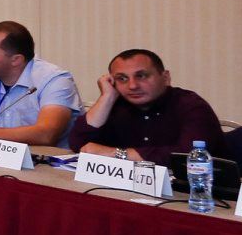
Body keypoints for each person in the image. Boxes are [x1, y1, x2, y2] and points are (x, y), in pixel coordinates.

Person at [67, 49, 225, 164]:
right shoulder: (114, 104)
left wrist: (116, 154)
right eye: (122, 79)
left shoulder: (191, 105)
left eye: (141, 76)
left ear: (165, 77)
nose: (133, 86)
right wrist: (106, 97)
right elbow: (79, 144)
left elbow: (189, 157)